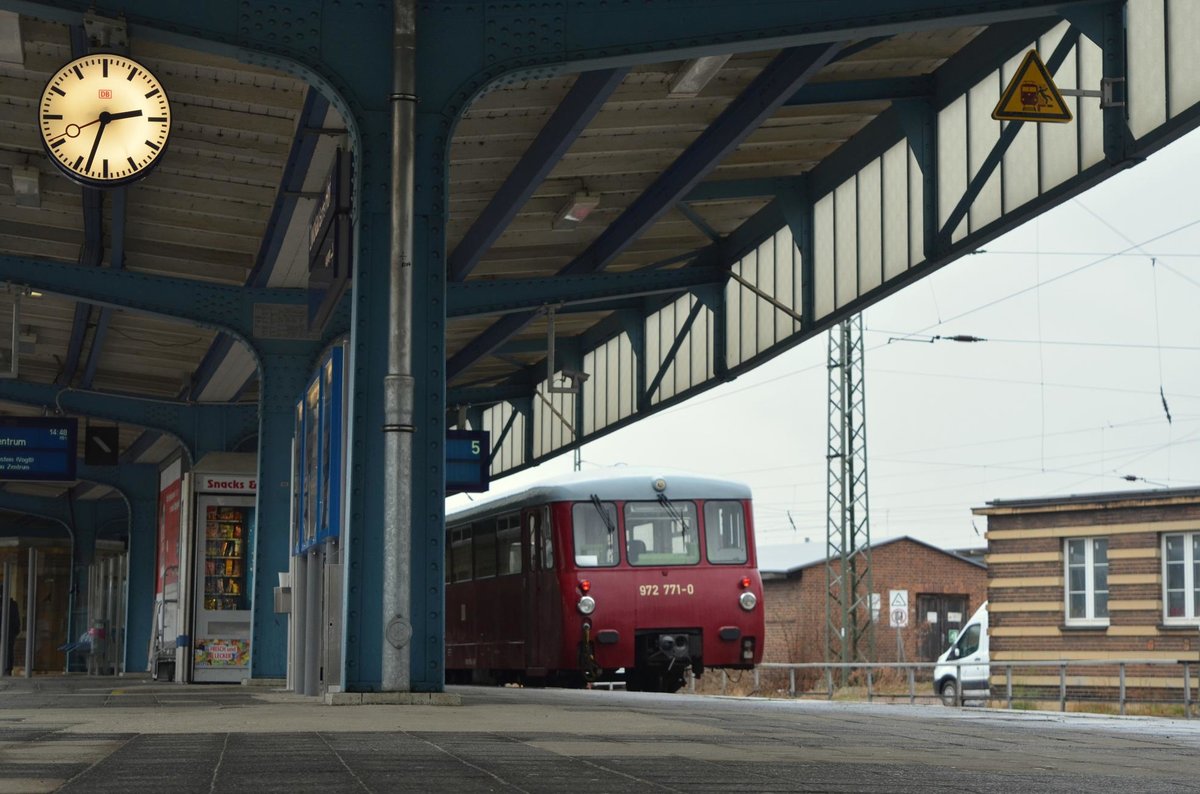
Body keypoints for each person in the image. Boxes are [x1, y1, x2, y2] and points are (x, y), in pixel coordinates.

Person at [3, 596, 19, 676]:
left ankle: (7, 669)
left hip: (9, 631)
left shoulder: (11, 604)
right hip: (10, 632)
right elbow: (16, 619)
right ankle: (7, 669)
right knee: (9, 650)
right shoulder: (13, 604)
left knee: (9, 650)